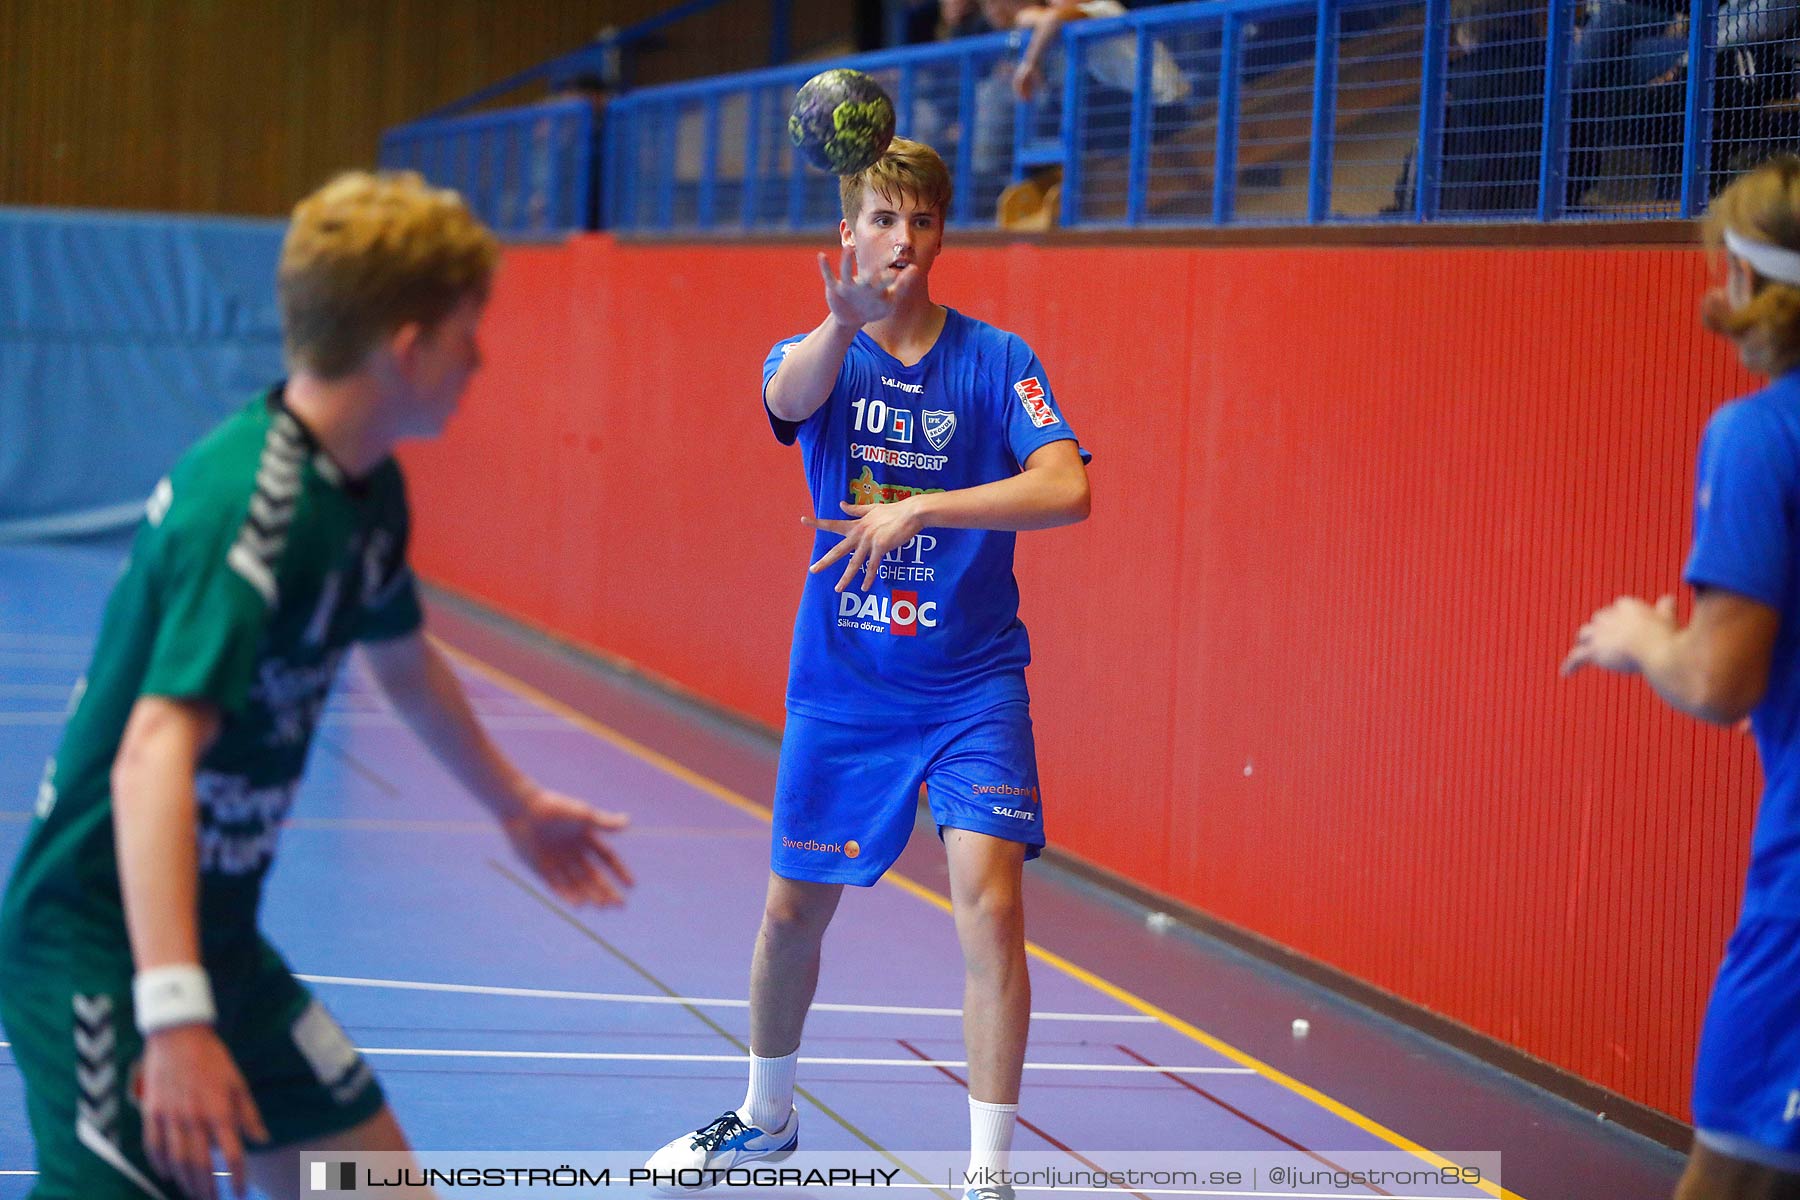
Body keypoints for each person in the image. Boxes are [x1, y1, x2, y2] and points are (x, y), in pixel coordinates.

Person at [0, 170, 634, 1200]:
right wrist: (173, 1013)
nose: (480, 359)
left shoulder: (367, 490)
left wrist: (514, 806)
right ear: (408, 345)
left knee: (376, 1185)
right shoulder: (253, 509)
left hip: (217, 933)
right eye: (470, 331)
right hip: (96, 947)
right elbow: (152, 755)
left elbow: (406, 664)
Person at [645, 138, 1091, 1200]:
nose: (901, 240)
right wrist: (839, 319)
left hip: (972, 681)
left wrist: (933, 505)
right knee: (792, 914)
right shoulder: (818, 351)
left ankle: (987, 1177)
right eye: (881, 220)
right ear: (848, 233)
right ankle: (764, 1119)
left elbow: (1068, 487)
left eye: (920, 221)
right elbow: (790, 401)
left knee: (988, 902)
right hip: (846, 684)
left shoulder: (997, 360)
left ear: (941, 235)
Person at [1564, 154, 1800, 1197]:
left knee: (1734, 1178)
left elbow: (1718, 681)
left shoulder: (1759, 435)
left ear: (1749, 282)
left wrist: (1646, 641)